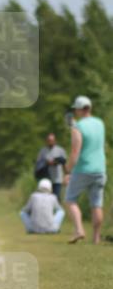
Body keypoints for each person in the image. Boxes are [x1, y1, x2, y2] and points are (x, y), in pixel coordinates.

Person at [64, 96, 107, 244]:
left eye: (75, 108)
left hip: (83, 168)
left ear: (80, 109)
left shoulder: (78, 127)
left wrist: (68, 170)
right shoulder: (100, 123)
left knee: (70, 199)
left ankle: (79, 230)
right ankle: (96, 238)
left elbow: (75, 151)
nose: (75, 111)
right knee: (96, 204)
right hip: (100, 168)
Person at [34, 133, 67, 202]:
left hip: (57, 178)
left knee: (56, 197)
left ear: (55, 141)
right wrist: (46, 163)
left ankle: (59, 212)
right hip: (46, 179)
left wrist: (66, 175)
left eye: (52, 140)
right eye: (49, 140)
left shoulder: (60, 150)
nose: (50, 142)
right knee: (46, 198)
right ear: (46, 141)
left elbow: (64, 164)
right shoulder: (42, 151)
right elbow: (38, 163)